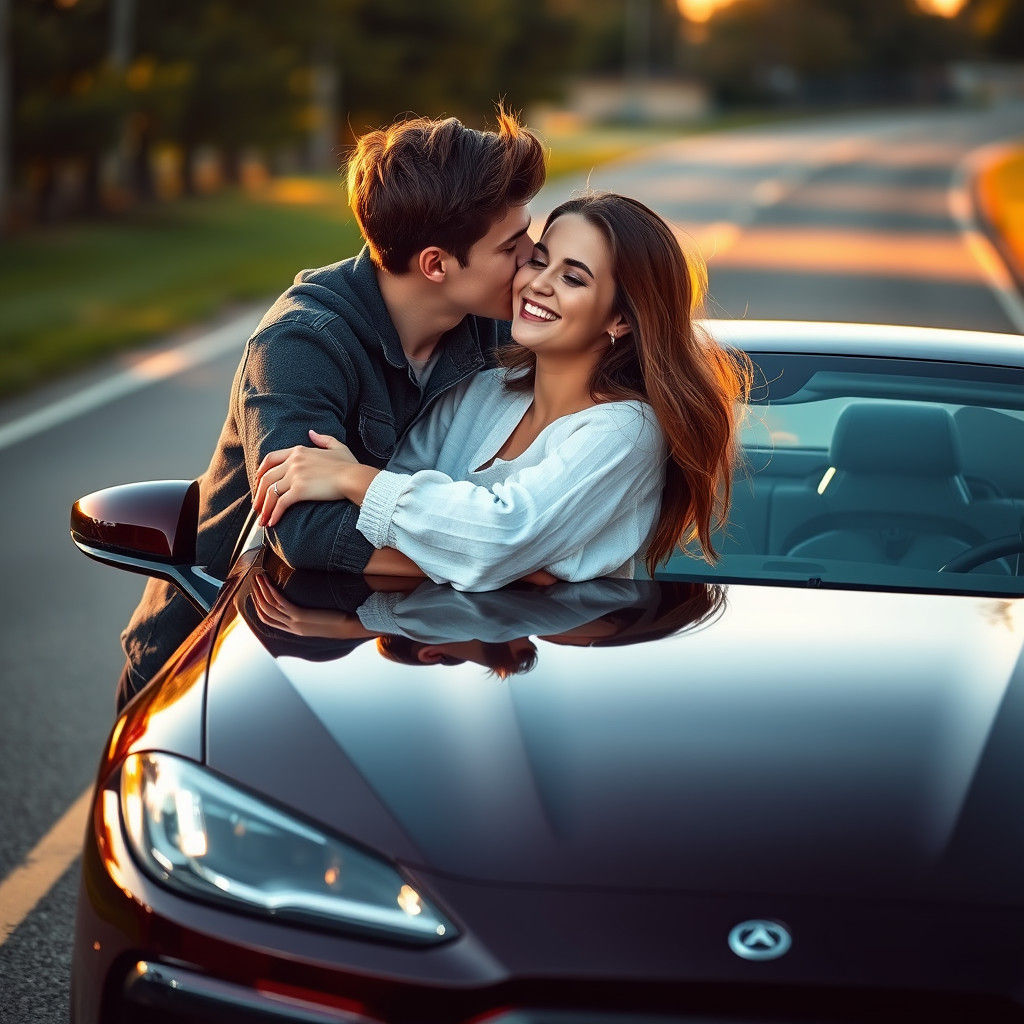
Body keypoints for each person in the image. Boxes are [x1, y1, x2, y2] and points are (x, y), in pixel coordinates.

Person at [115, 107, 546, 709]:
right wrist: (505, 556)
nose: (535, 255)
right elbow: (306, 534)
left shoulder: (493, 330)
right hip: (228, 668)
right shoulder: (302, 342)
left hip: (415, 649)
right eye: (512, 245)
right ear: (437, 264)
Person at [254, 192, 753, 590]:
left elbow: (502, 533)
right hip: (432, 657)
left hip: (554, 670)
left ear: (620, 319)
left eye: (573, 278)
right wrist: (514, 569)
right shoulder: (480, 391)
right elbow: (406, 510)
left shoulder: (626, 429)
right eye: (538, 260)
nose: (538, 284)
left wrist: (353, 479)